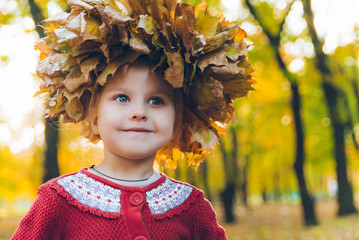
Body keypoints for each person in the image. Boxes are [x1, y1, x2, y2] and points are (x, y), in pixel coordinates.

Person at [12, 0, 254, 239]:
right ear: (94, 118)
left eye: (156, 101)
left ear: (178, 121)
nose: (139, 112)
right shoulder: (58, 201)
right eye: (122, 98)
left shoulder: (192, 208)